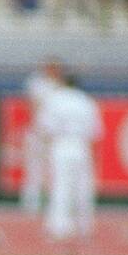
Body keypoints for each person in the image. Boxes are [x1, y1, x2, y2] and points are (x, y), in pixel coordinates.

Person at [40, 70, 103, 241]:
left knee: (61, 186)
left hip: (61, 144)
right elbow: (96, 132)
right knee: (84, 187)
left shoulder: (55, 99)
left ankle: (60, 228)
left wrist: (45, 151)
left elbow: (46, 127)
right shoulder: (86, 101)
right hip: (81, 145)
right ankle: (84, 227)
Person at [21, 60, 63, 215]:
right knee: (34, 170)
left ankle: (53, 204)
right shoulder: (38, 83)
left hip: (55, 135)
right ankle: (31, 205)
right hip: (38, 132)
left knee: (54, 171)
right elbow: (35, 104)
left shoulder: (60, 87)